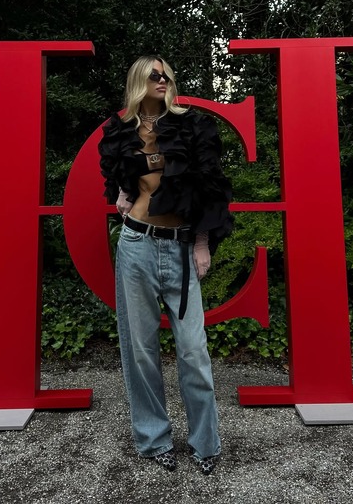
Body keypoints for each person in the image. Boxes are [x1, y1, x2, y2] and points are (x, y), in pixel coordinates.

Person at [98, 55, 233, 475]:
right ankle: (154, 439)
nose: (163, 80)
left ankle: (205, 443)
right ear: (139, 80)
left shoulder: (193, 126)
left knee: (193, 350)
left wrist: (202, 242)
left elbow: (210, 186)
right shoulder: (121, 130)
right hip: (136, 244)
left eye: (167, 75)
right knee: (139, 350)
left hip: (180, 247)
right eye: (155, 75)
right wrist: (121, 191)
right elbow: (119, 175)